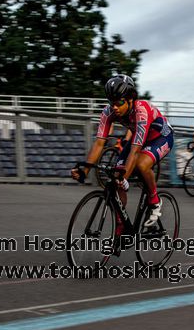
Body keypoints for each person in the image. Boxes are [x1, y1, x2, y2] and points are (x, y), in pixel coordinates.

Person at [71, 74, 174, 228]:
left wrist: (124, 177)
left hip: (161, 137)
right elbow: (99, 143)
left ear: (130, 99)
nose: (114, 107)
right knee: (116, 177)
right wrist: (85, 170)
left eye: (119, 102)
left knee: (140, 164)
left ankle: (154, 200)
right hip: (140, 139)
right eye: (111, 102)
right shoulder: (108, 112)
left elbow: (135, 150)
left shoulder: (141, 110)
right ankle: (120, 227)